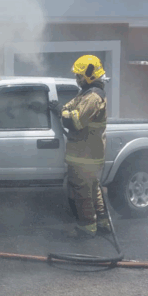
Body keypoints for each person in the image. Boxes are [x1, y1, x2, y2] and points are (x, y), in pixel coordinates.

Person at [49, 55, 110, 239]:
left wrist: (61, 111)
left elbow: (74, 121)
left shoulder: (92, 97)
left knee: (82, 191)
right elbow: (71, 107)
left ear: (90, 74)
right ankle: (102, 223)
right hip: (88, 153)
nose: (77, 79)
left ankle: (87, 227)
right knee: (92, 188)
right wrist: (62, 109)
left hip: (85, 155)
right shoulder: (86, 93)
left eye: (80, 76)